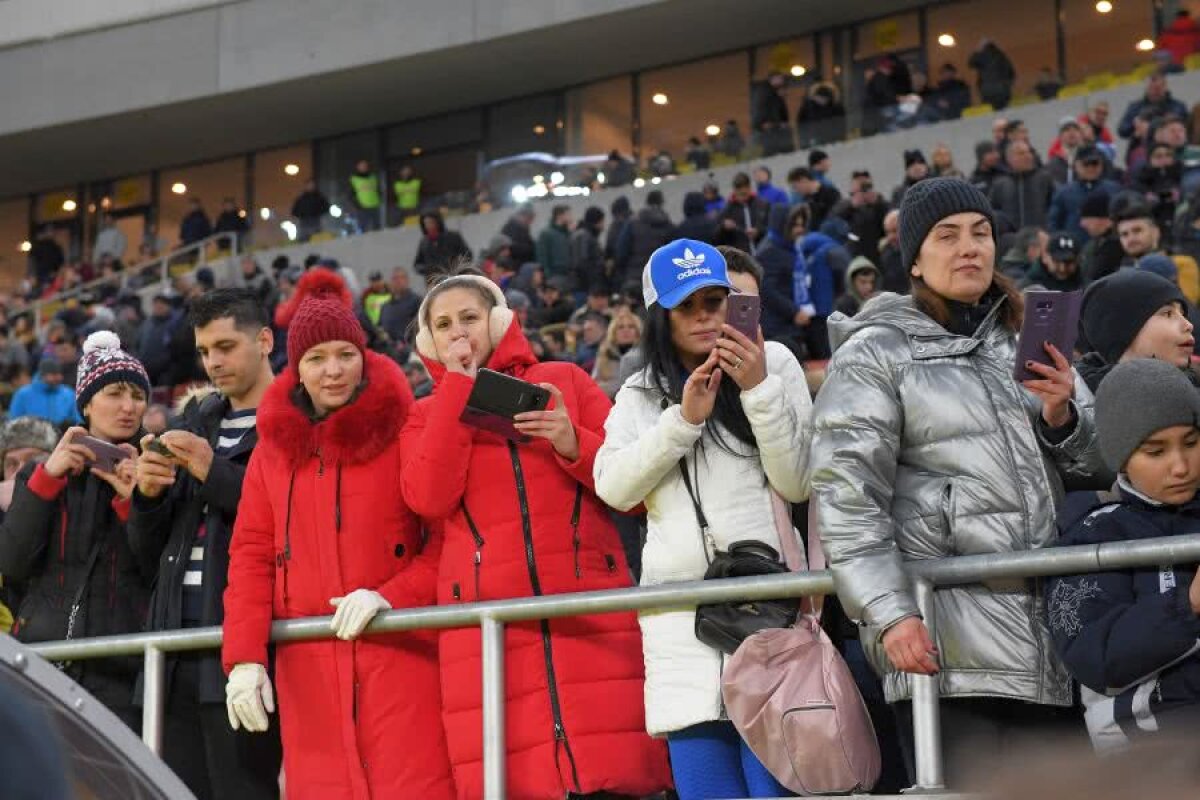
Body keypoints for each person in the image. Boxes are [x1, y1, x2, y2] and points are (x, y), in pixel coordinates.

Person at [810, 178, 1103, 787]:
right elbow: (846, 495)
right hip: (944, 648)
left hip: (1052, 645)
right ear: (915, 260)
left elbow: (1099, 469)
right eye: (947, 236)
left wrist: (1063, 418)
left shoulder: (1024, 336)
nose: (969, 247)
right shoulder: (874, 353)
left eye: (981, 233)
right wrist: (889, 612)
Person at [399, 271, 672, 799]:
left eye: (470, 318)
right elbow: (427, 499)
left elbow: (637, 491)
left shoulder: (565, 380)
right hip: (488, 635)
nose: (459, 333)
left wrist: (572, 443)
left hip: (591, 619)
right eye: (444, 325)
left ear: (499, 322)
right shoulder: (424, 415)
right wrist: (457, 392)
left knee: (618, 779)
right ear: (428, 341)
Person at [222, 272, 454, 800]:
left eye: (346, 354)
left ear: (364, 357)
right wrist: (244, 658)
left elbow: (447, 540)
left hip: (403, 663)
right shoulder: (271, 453)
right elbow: (251, 557)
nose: (333, 370)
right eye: (316, 358)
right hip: (310, 680)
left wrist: (392, 597)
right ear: (296, 369)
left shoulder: (406, 429)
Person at [593, 239, 811, 800]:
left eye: (714, 301)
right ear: (659, 317)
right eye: (685, 306)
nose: (704, 317)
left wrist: (757, 389)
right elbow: (613, 487)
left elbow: (797, 482)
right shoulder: (640, 393)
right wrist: (682, 422)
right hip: (679, 626)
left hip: (765, 614)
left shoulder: (774, 363)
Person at [127, 290, 282, 800]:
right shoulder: (192, 424)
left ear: (265, 341)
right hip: (172, 654)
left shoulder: (294, 421)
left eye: (225, 346)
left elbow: (289, 519)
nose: (213, 362)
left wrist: (211, 470)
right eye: (204, 350)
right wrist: (148, 497)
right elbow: (148, 555)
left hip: (246, 652)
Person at [1047, 359, 1200, 753]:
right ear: (1121, 457)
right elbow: (1095, 657)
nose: (1180, 466)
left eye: (1191, 442)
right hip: (1150, 754)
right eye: (1156, 451)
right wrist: (1188, 604)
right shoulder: (1094, 534)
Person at [0, 332, 151, 729]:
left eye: (138, 395)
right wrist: (47, 479)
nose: (129, 406)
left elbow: (155, 569)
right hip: (40, 664)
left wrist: (135, 502)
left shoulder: (155, 473)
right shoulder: (43, 473)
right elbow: (12, 562)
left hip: (122, 671)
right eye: (115, 393)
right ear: (86, 403)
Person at [1074, 269, 1193, 393]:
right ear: (1122, 330)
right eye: (1168, 313)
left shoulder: (1192, 391)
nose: (1189, 325)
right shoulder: (1076, 402)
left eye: (1183, 314)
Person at [1115, 203, 1200, 302]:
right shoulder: (1120, 273)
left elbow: (1185, 306)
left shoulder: (1181, 263)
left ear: (1156, 232)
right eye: (1124, 234)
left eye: (1137, 230)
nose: (1131, 238)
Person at [1048, 145, 1122, 244]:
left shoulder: (1114, 190)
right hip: (1074, 246)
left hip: (1107, 245)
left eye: (1094, 163)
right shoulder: (1064, 193)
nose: (1091, 168)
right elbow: (1054, 224)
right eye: (1086, 164)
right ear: (1076, 165)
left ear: (1101, 165)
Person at [989, 140, 1055, 229]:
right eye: (1021, 153)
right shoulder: (1000, 185)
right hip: (1011, 235)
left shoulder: (1045, 179)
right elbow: (993, 212)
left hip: (1039, 234)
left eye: (1029, 152)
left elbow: (1054, 208)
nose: (1027, 156)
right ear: (1009, 159)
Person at [618, 190, 676, 285]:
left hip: (635, 277)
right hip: (660, 277)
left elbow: (621, 252)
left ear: (647, 202)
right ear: (662, 203)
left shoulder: (632, 224)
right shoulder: (668, 226)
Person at [833, 171, 888, 263]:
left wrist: (877, 204)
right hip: (854, 251)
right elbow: (835, 220)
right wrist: (852, 206)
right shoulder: (846, 204)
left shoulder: (879, 203)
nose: (863, 190)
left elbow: (889, 220)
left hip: (876, 250)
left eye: (866, 186)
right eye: (860, 186)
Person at [7, 359, 80, 426]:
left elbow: (78, 419)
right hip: (32, 435)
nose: (59, 377)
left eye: (60, 374)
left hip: (63, 435)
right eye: (54, 374)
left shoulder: (68, 393)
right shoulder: (23, 394)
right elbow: (13, 421)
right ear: (43, 375)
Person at [1118, 72, 1189, 141]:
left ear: (1165, 87)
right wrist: (1135, 126)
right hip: (1142, 144)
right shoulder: (1135, 107)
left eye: (1159, 88)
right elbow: (1122, 130)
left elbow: (1188, 127)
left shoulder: (1178, 106)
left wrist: (1173, 122)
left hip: (1173, 144)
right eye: (1152, 88)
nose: (1155, 92)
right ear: (1146, 88)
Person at [591, 307, 642, 399]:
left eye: (631, 326)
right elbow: (593, 386)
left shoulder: (645, 356)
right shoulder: (605, 355)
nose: (626, 330)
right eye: (620, 327)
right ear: (613, 333)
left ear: (638, 332)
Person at [138, 292, 184, 387]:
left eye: (162, 303)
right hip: (146, 372)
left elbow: (176, 347)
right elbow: (137, 344)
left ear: (168, 306)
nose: (158, 306)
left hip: (166, 372)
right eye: (156, 304)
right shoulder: (146, 324)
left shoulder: (175, 322)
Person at [414, 212, 472, 278]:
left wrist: (456, 266)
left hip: (455, 276)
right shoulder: (424, 243)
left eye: (431, 222)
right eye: (426, 223)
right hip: (435, 279)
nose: (429, 226)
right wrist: (428, 269)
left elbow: (467, 255)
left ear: (438, 222)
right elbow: (417, 265)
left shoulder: (453, 237)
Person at [751, 71, 792, 156]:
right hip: (769, 128)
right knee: (772, 151)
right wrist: (767, 123)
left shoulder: (773, 92)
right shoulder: (765, 92)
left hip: (772, 127)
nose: (782, 81)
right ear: (773, 79)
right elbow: (763, 109)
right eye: (780, 78)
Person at [379, 268, 423, 345]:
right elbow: (380, 327)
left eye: (401, 277)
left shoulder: (417, 301)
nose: (398, 281)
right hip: (389, 348)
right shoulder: (385, 306)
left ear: (407, 280)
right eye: (395, 278)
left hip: (411, 348)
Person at [968, 38, 1016, 110]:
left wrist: (977, 51)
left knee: (991, 112)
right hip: (1003, 91)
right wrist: (1007, 85)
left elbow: (970, 63)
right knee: (1004, 110)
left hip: (988, 91)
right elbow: (1011, 73)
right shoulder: (1001, 55)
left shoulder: (982, 56)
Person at [568, 206, 605, 297]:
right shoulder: (583, 236)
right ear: (596, 222)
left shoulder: (588, 235)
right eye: (602, 221)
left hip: (586, 286)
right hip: (583, 287)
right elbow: (581, 263)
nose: (603, 225)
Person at [535, 204, 573, 284]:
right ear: (559, 215)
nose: (571, 217)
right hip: (554, 275)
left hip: (568, 274)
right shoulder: (546, 233)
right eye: (568, 214)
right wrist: (548, 275)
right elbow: (542, 256)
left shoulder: (567, 233)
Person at [349, 159, 382, 232]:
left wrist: (380, 198)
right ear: (357, 167)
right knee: (364, 228)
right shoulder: (354, 179)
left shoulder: (373, 177)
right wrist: (357, 205)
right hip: (362, 207)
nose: (364, 167)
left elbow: (378, 189)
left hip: (374, 205)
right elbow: (350, 194)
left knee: (377, 228)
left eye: (365, 165)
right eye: (361, 166)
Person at [501, 202, 537, 266]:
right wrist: (531, 248)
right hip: (516, 266)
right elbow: (513, 248)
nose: (531, 221)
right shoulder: (510, 228)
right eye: (530, 218)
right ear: (522, 215)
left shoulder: (523, 229)